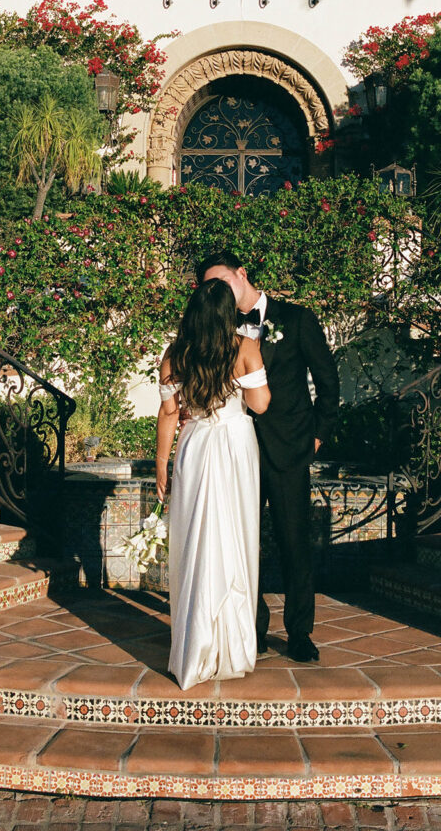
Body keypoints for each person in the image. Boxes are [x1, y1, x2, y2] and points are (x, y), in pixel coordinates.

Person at [197, 250, 340, 664]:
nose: (218, 292)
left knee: (295, 542)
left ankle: (299, 633)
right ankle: (252, 630)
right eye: (210, 288)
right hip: (235, 450)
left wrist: (319, 435)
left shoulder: (296, 319)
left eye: (223, 282)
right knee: (243, 544)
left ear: (242, 274)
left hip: (289, 447)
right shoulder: (214, 326)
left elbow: (327, 380)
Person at [156, 278, 271, 691]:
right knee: (235, 537)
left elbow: (169, 413)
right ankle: (230, 646)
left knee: (196, 540)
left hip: (195, 446)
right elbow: (260, 405)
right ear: (227, 315)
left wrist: (160, 465)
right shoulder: (245, 349)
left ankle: (194, 645)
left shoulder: (175, 354)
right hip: (236, 446)